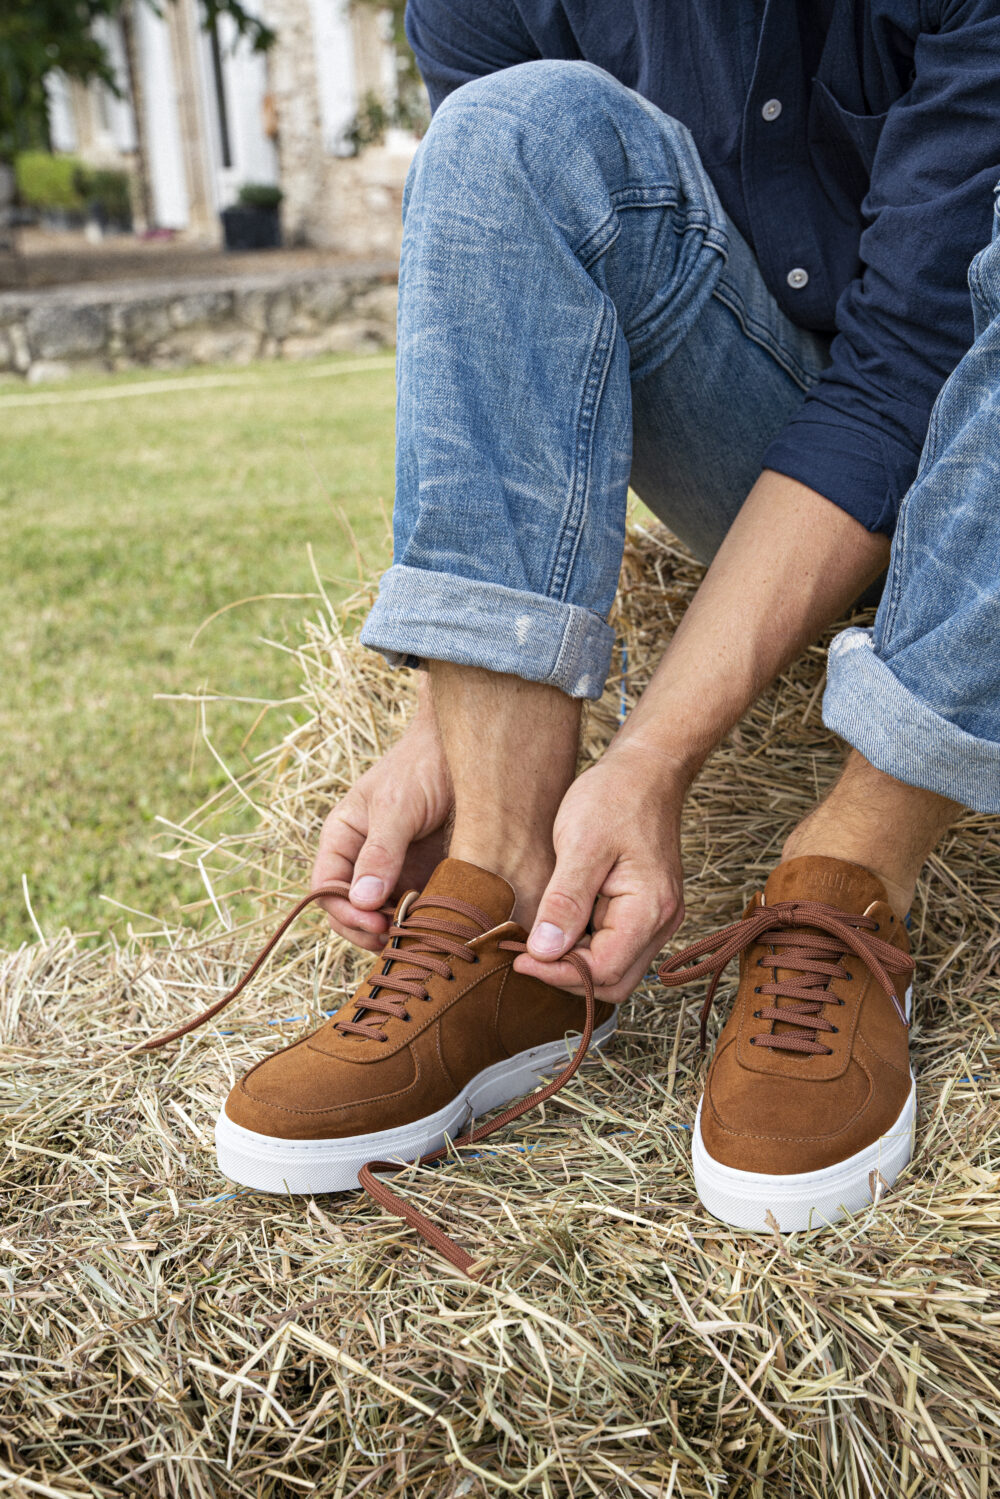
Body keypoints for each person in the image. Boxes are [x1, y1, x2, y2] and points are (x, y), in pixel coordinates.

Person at [213, 2, 1000, 1233]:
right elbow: (508, 338)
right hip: (769, 430)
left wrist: (650, 759)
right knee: (508, 137)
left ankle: (850, 870)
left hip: (973, 408)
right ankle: (511, 896)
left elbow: (913, 365)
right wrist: (460, 711)